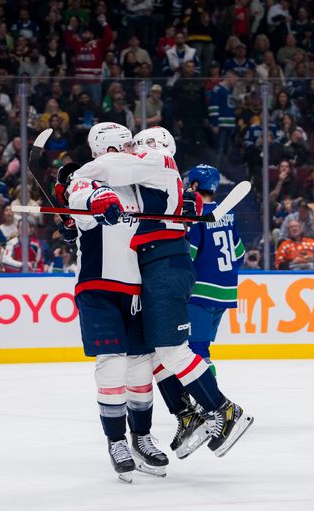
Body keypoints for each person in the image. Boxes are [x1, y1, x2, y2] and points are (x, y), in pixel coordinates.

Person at [70, 122, 254, 460]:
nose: (132, 151)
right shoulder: (147, 178)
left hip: (165, 266)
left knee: (172, 351)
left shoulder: (154, 162)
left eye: (134, 146)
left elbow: (112, 168)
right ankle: (189, 415)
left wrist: (76, 175)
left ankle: (222, 410)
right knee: (158, 352)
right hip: (155, 271)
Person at [57, 159, 167, 482]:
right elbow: (80, 198)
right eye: (118, 148)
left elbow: (166, 205)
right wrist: (93, 203)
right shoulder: (88, 180)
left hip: (136, 288)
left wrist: (186, 198)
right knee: (112, 366)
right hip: (98, 287)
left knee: (140, 367)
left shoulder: (139, 184)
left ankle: (141, 437)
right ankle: (116, 441)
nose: (126, 153)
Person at [185, 164, 244, 371]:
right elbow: (239, 253)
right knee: (201, 346)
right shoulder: (227, 214)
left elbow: (189, 255)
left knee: (196, 350)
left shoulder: (197, 215)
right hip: (225, 292)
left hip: (201, 292)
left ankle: (208, 399)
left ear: (194, 185)